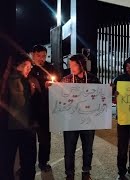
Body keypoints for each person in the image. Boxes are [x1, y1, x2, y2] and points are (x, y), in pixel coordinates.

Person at [61, 54, 100, 180]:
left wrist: (108, 90)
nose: (71, 67)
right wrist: (52, 88)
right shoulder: (66, 79)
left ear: (82, 64)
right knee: (69, 150)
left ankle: (86, 173)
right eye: (70, 65)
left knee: (88, 149)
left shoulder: (93, 79)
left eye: (74, 65)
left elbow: (101, 95)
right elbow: (59, 97)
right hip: (70, 122)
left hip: (88, 121)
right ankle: (69, 174)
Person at [6, 53, 41, 180]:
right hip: (16, 128)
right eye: (28, 65)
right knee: (22, 162)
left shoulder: (27, 80)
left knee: (20, 162)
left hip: (20, 128)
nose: (30, 68)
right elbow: (19, 103)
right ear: (19, 65)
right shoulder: (12, 80)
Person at [29, 44, 60, 172]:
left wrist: (52, 85)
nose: (41, 58)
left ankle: (43, 162)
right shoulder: (27, 67)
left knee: (45, 140)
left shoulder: (50, 68)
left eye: (44, 56)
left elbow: (58, 83)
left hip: (45, 110)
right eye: (38, 56)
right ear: (32, 54)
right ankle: (28, 165)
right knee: (29, 141)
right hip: (29, 111)